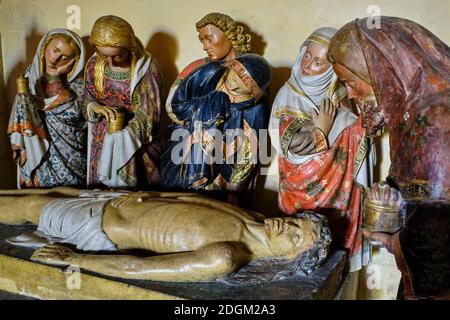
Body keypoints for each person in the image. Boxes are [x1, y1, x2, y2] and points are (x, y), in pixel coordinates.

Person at [327, 16, 450, 299]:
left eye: (349, 82)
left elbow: (439, 226)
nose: (350, 94)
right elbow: (420, 188)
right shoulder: (411, 111)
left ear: (378, 70)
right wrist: (390, 193)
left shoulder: (436, 118)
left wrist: (392, 242)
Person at [0, 187, 331, 283]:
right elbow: (188, 200)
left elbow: (140, 270)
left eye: (294, 236)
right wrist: (140, 194)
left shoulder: (224, 255)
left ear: (290, 258)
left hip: (97, 225)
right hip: (117, 199)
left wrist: (74, 259)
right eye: (295, 221)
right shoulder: (252, 217)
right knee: (50, 192)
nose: (286, 225)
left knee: (32, 206)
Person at [269, 27, 375, 272]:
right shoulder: (288, 94)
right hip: (298, 188)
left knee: (334, 247)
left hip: (338, 188)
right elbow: (286, 143)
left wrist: (357, 126)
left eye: (318, 62)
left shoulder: (337, 94)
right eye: (307, 55)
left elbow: (354, 128)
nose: (308, 66)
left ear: (331, 70)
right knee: (295, 245)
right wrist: (320, 130)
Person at [162, 13, 271, 206]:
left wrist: (234, 188)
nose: (204, 45)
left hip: (228, 161)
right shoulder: (205, 71)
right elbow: (175, 106)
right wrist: (204, 116)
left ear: (229, 36)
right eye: (202, 39)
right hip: (188, 149)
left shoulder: (256, 76)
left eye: (209, 38)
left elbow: (253, 143)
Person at [84, 15, 163, 189]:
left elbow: (150, 113)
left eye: (117, 56)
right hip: (102, 138)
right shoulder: (94, 64)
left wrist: (122, 138)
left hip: (134, 142)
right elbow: (88, 96)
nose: (110, 61)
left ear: (130, 48)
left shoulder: (146, 68)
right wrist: (95, 107)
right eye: (104, 55)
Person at [7, 28, 87, 188]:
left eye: (65, 57)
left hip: (69, 158)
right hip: (36, 154)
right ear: (44, 48)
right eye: (55, 50)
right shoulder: (29, 80)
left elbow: (75, 114)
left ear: (75, 61)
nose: (56, 59)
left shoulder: (79, 87)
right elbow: (20, 116)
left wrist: (56, 77)